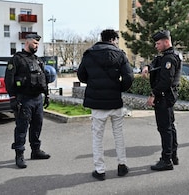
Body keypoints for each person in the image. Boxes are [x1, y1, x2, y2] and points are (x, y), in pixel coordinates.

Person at [77, 29, 134, 181]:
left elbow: (81, 76)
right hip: (115, 102)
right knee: (118, 135)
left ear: (102, 39)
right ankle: (122, 166)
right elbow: (129, 77)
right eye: (116, 40)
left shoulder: (89, 54)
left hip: (97, 104)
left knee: (97, 137)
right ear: (113, 39)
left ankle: (100, 170)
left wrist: (94, 83)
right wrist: (118, 88)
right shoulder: (120, 54)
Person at [4, 34, 51, 169]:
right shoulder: (17, 59)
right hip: (23, 99)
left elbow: (43, 79)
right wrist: (12, 98)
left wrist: (46, 95)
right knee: (22, 127)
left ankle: (36, 151)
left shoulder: (38, 60)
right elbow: (9, 80)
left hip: (37, 99)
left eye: (38, 44)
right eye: (35, 43)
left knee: (37, 126)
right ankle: (19, 155)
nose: (36, 46)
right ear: (27, 42)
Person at [141, 30, 182, 171]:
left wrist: (153, 94)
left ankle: (166, 160)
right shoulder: (167, 56)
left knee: (165, 129)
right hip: (167, 98)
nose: (156, 46)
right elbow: (155, 62)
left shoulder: (169, 59)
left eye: (158, 43)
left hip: (164, 97)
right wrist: (147, 67)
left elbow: (166, 81)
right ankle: (173, 156)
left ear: (166, 42)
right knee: (170, 127)